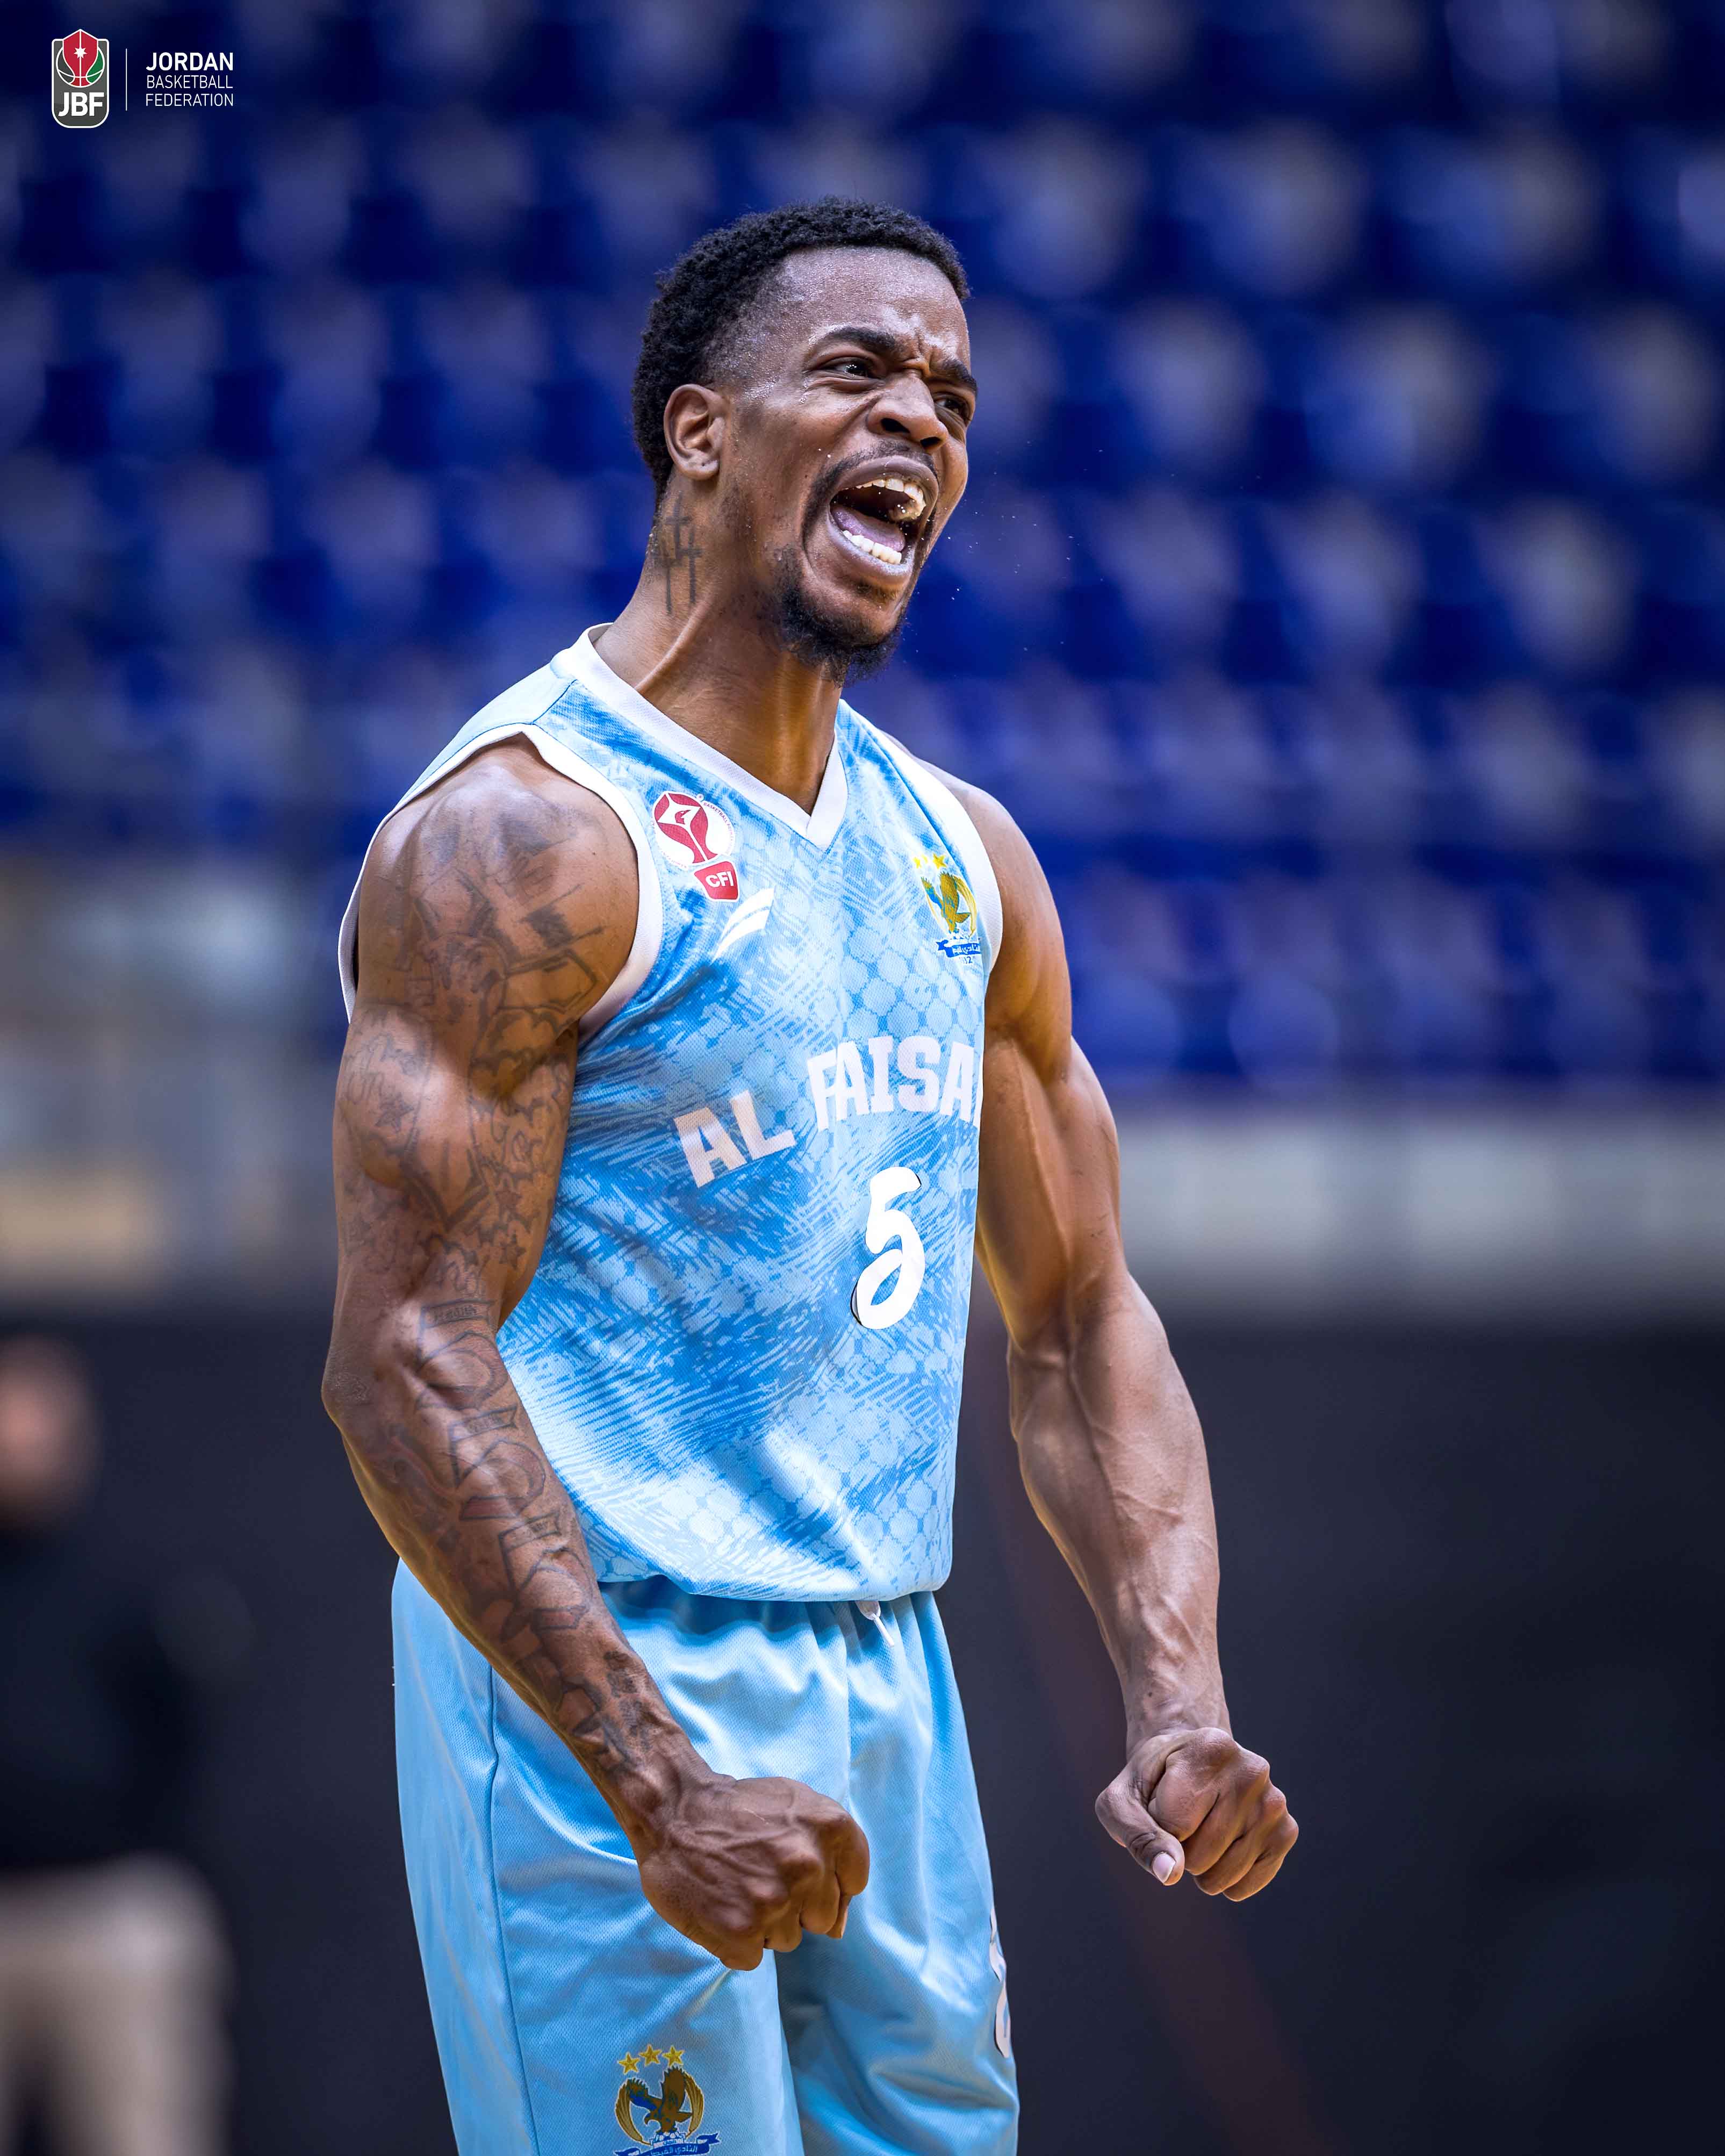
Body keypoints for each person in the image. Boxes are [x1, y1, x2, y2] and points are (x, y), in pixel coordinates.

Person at [323, 198, 1295, 2156]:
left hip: (883, 1664)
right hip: (593, 1668)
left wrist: (1178, 1692)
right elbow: (403, 1357)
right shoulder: (527, 840)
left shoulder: (962, 860)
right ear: (698, 430)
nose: (919, 420)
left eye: (951, 397)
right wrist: (655, 1776)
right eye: (856, 370)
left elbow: (1079, 1316)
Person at [0, 1336, 229, 2156]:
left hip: (114, 1905)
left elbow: (187, 1730)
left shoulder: (131, 1571)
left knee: (144, 2133)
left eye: (40, 1420)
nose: (23, 1440)